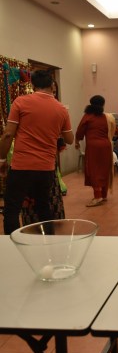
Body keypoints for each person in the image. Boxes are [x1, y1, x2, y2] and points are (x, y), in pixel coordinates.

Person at [0, 70, 73, 235]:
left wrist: (2, 160)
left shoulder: (21, 102)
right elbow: (69, 139)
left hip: (21, 166)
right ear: (52, 85)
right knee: (43, 207)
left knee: (12, 209)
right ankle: (49, 241)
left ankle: (11, 245)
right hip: (46, 168)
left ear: (32, 84)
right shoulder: (61, 109)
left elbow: (8, 134)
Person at [75, 95, 116, 207]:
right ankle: (104, 195)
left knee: (94, 170)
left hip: (93, 147)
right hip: (106, 146)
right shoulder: (107, 117)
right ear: (103, 104)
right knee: (104, 170)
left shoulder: (87, 116)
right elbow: (114, 131)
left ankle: (97, 197)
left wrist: (77, 141)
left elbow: (80, 131)